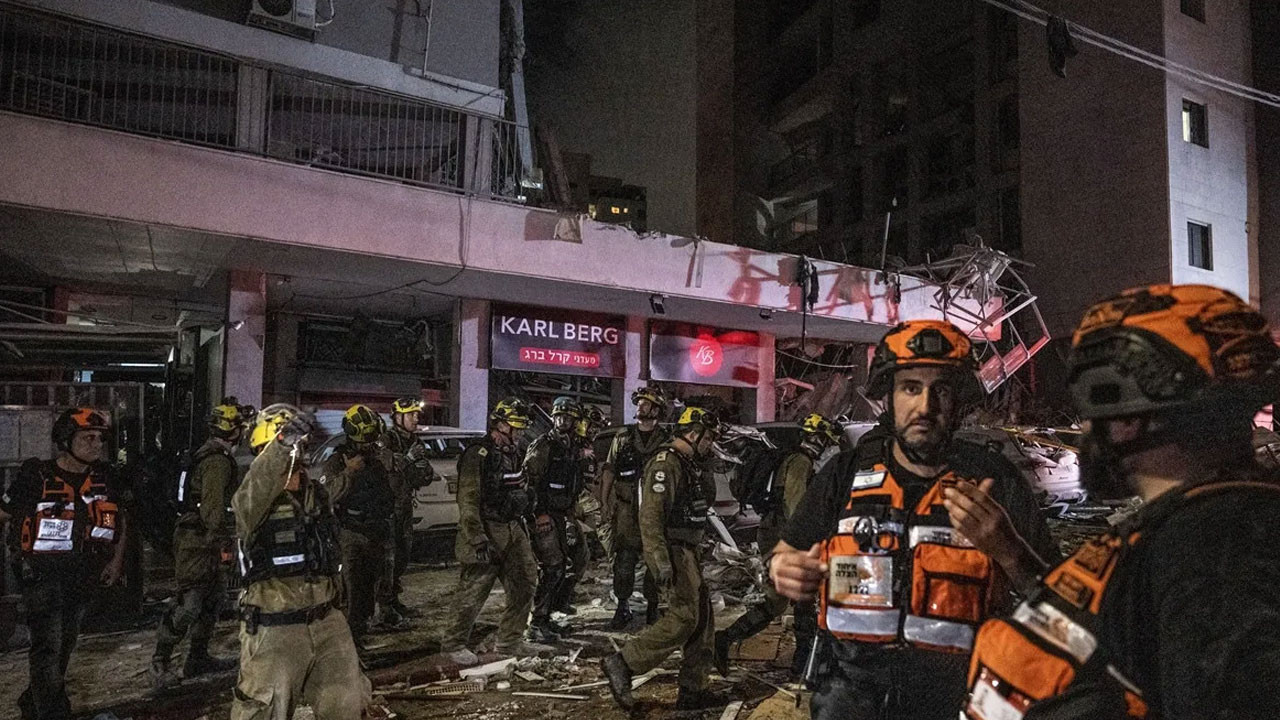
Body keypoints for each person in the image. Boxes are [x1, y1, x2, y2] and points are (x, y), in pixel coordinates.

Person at [962, 284, 1280, 720]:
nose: (1086, 428)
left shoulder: (1212, 556)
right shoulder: (1205, 527)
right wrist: (1013, 555)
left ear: (1130, 416)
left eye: (1095, 404)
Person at [768, 320, 1057, 720]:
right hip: (848, 700)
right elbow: (783, 555)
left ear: (960, 401)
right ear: (888, 397)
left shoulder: (996, 482)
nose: (925, 406)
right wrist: (782, 569)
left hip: (956, 702)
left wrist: (1009, 550)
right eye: (910, 388)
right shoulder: (843, 474)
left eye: (942, 390)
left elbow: (1057, 607)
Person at [230, 403, 369, 720]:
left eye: (299, 445)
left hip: (326, 620)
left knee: (348, 705)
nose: (297, 454)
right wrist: (281, 445)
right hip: (275, 626)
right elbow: (257, 485)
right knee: (263, 711)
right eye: (288, 446)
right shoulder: (252, 497)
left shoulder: (315, 494)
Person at [0, 408, 127, 720]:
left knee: (65, 644)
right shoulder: (36, 476)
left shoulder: (105, 478)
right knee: (48, 647)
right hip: (41, 576)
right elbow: (3, 513)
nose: (97, 444)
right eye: (88, 438)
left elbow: (120, 521)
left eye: (100, 438)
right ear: (65, 440)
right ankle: (53, 712)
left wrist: (115, 561)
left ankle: (34, 702)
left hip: (82, 575)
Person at [603, 407, 727, 711]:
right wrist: (659, 561)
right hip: (674, 551)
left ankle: (694, 688)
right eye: (708, 438)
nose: (710, 444)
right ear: (693, 434)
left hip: (689, 551)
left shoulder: (688, 464)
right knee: (683, 618)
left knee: (702, 619)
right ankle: (624, 663)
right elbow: (650, 517)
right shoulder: (665, 464)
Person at [714, 412, 840, 678]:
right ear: (818, 439)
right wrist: (808, 539)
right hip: (784, 537)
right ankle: (802, 661)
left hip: (776, 534)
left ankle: (725, 639)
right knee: (802, 598)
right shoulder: (800, 462)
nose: (827, 448)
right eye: (826, 442)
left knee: (778, 601)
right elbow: (795, 506)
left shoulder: (793, 458)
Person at [441, 398, 547, 663]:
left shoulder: (514, 453)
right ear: (500, 425)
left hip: (512, 526)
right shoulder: (478, 454)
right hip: (487, 527)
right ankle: (453, 644)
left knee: (525, 583)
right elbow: (468, 499)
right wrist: (476, 537)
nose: (520, 432)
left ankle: (510, 641)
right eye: (516, 426)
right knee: (474, 588)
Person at [150, 403, 247, 689]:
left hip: (200, 537)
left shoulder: (209, 454)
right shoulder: (217, 461)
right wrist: (224, 538)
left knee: (211, 599)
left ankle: (197, 657)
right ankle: (161, 661)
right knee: (189, 602)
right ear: (234, 431)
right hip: (198, 540)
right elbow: (213, 510)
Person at [321, 404, 397, 651]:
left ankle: (358, 636)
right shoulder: (338, 460)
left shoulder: (377, 459)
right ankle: (345, 646)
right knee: (349, 591)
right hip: (350, 533)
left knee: (368, 592)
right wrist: (350, 472)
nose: (369, 444)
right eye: (365, 439)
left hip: (376, 532)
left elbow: (390, 493)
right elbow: (328, 495)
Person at [600, 384, 670, 629]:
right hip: (626, 510)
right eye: (639, 403)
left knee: (655, 559)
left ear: (657, 409)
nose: (640, 407)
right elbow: (609, 470)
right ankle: (622, 607)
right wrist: (604, 501)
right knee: (624, 560)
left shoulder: (666, 440)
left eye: (646, 403)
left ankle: (653, 607)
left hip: (655, 510)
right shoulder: (623, 437)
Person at [523, 396, 590, 637]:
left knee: (577, 558)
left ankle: (551, 611)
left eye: (567, 417)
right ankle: (536, 622)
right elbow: (530, 483)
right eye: (559, 416)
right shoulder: (544, 446)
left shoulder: (571, 447)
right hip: (545, 514)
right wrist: (538, 514)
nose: (562, 421)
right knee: (552, 566)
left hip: (564, 513)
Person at [375, 397, 437, 628]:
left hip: (404, 506)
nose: (415, 418)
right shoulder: (386, 439)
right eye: (411, 414)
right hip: (387, 508)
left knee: (402, 556)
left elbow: (423, 475)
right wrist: (409, 459)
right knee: (387, 559)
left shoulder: (415, 441)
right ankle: (384, 609)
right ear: (398, 417)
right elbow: (386, 464)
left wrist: (422, 469)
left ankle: (393, 599)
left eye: (416, 414)